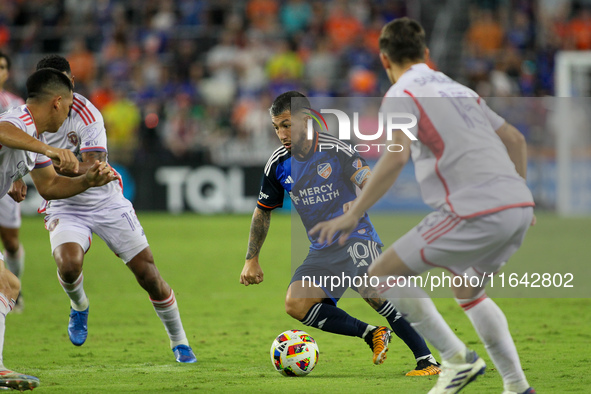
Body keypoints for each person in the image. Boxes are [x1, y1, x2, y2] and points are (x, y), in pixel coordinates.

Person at [310, 17, 536, 394]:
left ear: (384, 60)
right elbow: (515, 139)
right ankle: (517, 387)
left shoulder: (401, 94)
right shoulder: (460, 89)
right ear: (426, 54)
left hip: (473, 210)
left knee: (379, 276)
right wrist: (520, 197)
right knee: (469, 291)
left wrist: (351, 214)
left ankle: (456, 359)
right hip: (518, 206)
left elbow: (395, 158)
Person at [240, 91, 441, 375]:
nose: (281, 133)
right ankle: (372, 334)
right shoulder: (277, 163)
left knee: (375, 293)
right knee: (296, 303)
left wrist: (358, 203)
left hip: (356, 237)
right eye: (276, 127)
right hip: (322, 249)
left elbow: (367, 179)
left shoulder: (336, 149)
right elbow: (263, 210)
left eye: (286, 124)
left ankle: (428, 361)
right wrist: (252, 258)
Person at [34, 55, 197, 363]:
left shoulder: (87, 112)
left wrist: (56, 162)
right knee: (68, 265)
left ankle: (180, 342)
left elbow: (95, 167)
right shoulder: (30, 119)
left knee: (148, 275)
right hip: (64, 203)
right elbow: (30, 166)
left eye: (70, 80)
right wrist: (21, 174)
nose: (69, 87)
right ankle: (80, 306)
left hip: (105, 200)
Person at [0, 67, 118, 391]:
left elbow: (50, 186)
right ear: (56, 103)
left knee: (7, 285)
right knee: (6, 286)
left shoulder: (34, 138)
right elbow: (2, 131)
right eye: (68, 106)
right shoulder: (20, 120)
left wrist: (87, 180)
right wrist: (50, 151)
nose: (69, 113)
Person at [0, 52, 26, 313]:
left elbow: (19, 144)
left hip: (5, 182)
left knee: (11, 243)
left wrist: (17, 176)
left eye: (2, 67)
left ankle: (16, 292)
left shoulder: (16, 104)